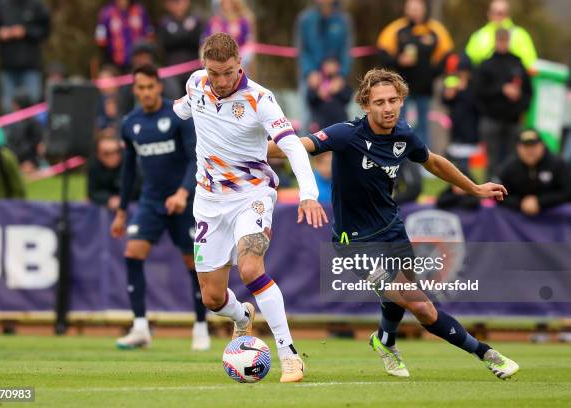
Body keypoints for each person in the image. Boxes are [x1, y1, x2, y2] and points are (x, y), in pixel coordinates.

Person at [267, 68, 520, 380]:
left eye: (393, 100)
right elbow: (293, 147)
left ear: (401, 101)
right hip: (355, 242)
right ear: (366, 105)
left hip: (393, 229)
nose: (387, 107)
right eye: (379, 102)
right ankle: (487, 354)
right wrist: (247, 150)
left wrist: (474, 188)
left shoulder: (404, 134)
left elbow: (435, 163)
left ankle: (384, 341)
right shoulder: (347, 134)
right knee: (422, 307)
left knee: (399, 297)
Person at [173, 33, 327, 382]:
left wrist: (308, 193)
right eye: (215, 73)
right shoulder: (196, 83)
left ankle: (289, 354)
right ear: (204, 69)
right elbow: (184, 105)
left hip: (252, 196)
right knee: (212, 298)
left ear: (240, 64)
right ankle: (243, 317)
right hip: (208, 203)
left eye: (229, 72)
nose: (222, 81)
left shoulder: (260, 99)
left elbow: (292, 146)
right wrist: (176, 111)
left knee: (250, 267)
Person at [110, 64, 210, 351]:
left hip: (185, 202)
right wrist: (120, 212)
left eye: (149, 87)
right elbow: (129, 169)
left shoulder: (177, 116)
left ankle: (201, 327)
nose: (145, 93)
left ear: (158, 87)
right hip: (151, 202)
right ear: (135, 90)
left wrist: (182, 193)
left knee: (193, 264)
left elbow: (196, 158)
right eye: (139, 88)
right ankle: (140, 328)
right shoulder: (131, 123)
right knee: (132, 253)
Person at [377, 0, 453, 147]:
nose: (414, 11)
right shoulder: (397, 29)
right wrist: (398, 61)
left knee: (424, 125)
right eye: (411, 8)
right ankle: (399, 160)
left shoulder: (435, 29)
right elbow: (383, 53)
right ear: (405, 9)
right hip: (400, 88)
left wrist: (432, 74)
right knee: (399, 123)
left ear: (424, 9)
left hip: (425, 88)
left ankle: (423, 162)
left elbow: (447, 55)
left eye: (417, 8)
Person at [474, 28, 532, 179]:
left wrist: (521, 106)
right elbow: (479, 91)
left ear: (509, 41)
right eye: (500, 40)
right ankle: (491, 190)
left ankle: (510, 188)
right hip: (491, 119)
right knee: (492, 159)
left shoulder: (517, 63)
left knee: (514, 158)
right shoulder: (486, 64)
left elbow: (528, 92)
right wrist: (501, 89)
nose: (502, 43)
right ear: (495, 40)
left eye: (505, 40)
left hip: (513, 120)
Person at [296, 0, 353, 130]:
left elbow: (346, 50)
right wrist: (309, 72)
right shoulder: (305, 19)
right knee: (307, 121)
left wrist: (341, 75)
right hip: (311, 79)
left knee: (339, 122)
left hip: (335, 79)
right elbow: (302, 50)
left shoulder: (343, 20)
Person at [0, 0, 51, 113]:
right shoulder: (1, 6)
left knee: (33, 104)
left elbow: (45, 30)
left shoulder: (36, 5)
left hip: (31, 65)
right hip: (7, 66)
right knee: (8, 106)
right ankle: (11, 131)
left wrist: (26, 31)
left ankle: (33, 130)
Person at [498, 129, 571, 216]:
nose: (529, 151)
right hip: (517, 218)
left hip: (553, 217)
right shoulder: (509, 166)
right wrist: (521, 203)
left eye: (533, 146)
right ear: (518, 148)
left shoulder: (557, 164)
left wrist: (540, 202)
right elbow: (497, 192)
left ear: (542, 146)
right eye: (525, 146)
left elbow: (568, 191)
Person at [466, 0, 537, 69]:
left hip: (511, 78)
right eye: (494, 13)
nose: (497, 17)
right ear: (489, 14)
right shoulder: (479, 35)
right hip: (484, 78)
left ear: (508, 14)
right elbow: (468, 59)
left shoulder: (520, 35)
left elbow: (530, 61)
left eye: (501, 13)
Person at [158, 0, 203, 94]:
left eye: (180, 1)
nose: (177, 5)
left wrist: (178, 35)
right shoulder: (164, 22)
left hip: (194, 67)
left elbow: (197, 40)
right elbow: (166, 44)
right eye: (174, 2)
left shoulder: (196, 19)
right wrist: (186, 33)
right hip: (173, 70)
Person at [95, 0, 154, 71]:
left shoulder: (140, 10)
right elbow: (101, 40)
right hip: (116, 62)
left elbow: (149, 34)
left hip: (139, 62)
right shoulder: (106, 13)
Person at [203, 0, 255, 73]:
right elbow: (204, 43)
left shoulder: (243, 22)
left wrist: (240, 60)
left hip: (238, 65)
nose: (227, 4)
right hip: (216, 64)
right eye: (224, 2)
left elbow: (249, 44)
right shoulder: (214, 22)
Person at [306, 57, 353, 132]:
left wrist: (338, 90)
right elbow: (310, 99)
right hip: (320, 123)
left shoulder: (341, 82)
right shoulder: (316, 80)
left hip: (339, 122)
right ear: (323, 67)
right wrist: (318, 93)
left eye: (333, 65)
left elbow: (347, 98)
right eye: (328, 65)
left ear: (338, 67)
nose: (330, 68)